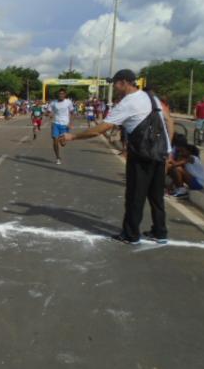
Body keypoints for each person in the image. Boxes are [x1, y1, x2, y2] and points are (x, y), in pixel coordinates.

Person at [61, 69, 174, 245]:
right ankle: (160, 232)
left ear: (123, 82)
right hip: (160, 153)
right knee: (156, 197)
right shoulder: (151, 97)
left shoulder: (127, 103)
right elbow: (169, 121)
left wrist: (73, 136)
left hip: (142, 155)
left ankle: (131, 235)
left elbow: (102, 128)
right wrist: (167, 148)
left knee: (135, 196)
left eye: (115, 83)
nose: (114, 86)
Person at [47, 88, 74, 165]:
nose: (61, 95)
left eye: (62, 94)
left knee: (63, 143)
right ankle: (58, 157)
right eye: (60, 94)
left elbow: (72, 113)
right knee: (55, 140)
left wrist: (70, 123)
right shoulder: (53, 103)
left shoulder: (68, 102)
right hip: (55, 123)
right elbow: (48, 112)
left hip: (65, 124)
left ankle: (62, 140)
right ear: (58, 94)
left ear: (65, 95)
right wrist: (49, 114)